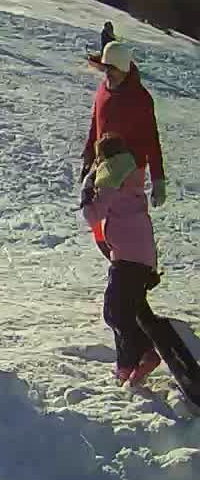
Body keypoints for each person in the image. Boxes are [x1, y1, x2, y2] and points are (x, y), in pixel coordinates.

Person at [82, 133, 162, 383]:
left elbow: (93, 215)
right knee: (124, 312)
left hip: (126, 256)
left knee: (115, 313)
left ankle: (147, 353)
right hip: (140, 256)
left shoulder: (111, 178)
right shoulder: (132, 178)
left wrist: (87, 188)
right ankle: (125, 367)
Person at [81, 42, 165, 223]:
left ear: (124, 69)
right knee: (104, 216)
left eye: (112, 69)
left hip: (130, 170)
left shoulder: (140, 98)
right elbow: (95, 124)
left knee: (127, 218)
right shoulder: (103, 89)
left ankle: (136, 248)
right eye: (105, 68)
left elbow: (151, 139)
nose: (107, 73)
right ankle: (114, 248)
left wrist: (158, 179)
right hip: (104, 164)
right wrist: (88, 155)